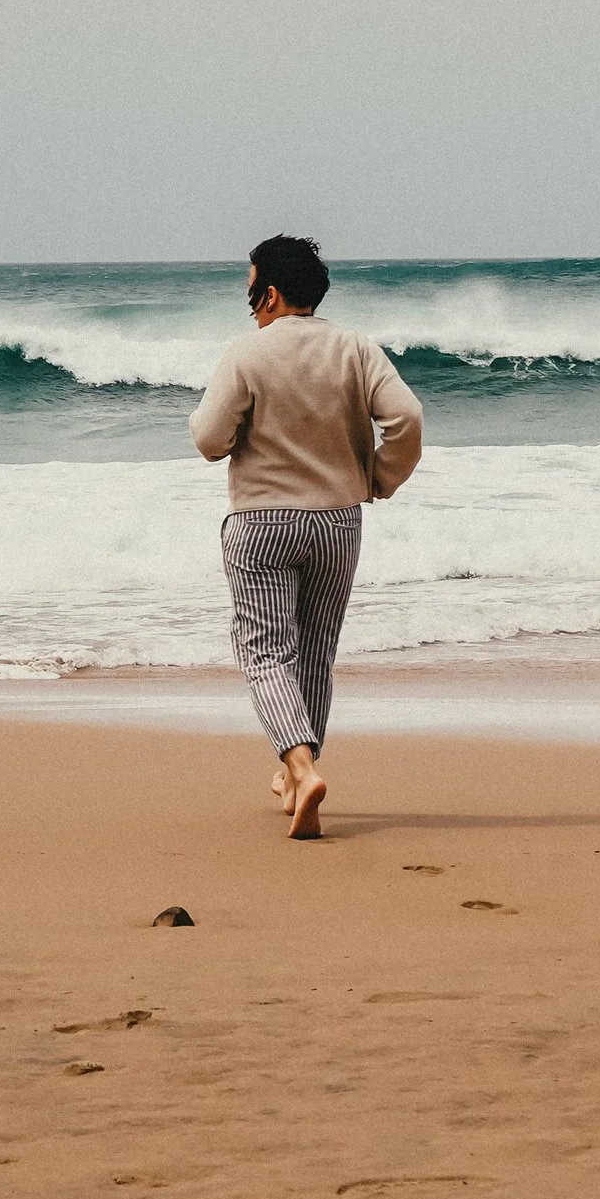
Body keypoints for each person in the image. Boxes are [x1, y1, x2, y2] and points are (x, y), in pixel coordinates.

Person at [188, 234, 423, 837]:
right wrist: (379, 477)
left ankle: (300, 764)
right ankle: (296, 778)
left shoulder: (247, 354)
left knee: (265, 649)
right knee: (316, 649)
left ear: (268, 294)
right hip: (338, 519)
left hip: (262, 522)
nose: (249, 305)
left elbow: (211, 441)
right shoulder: (357, 350)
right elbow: (407, 418)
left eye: (250, 293)